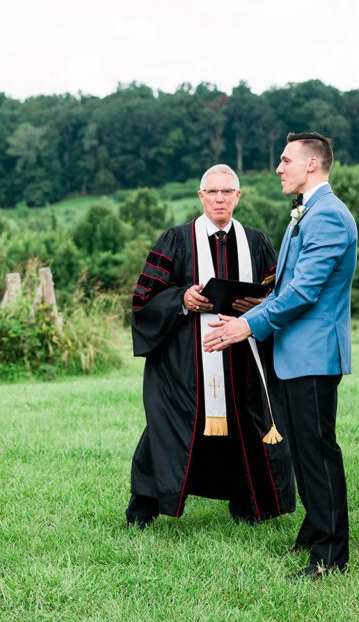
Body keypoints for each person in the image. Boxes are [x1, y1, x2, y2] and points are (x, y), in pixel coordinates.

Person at [205, 133, 358, 579]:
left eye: (285, 160)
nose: (278, 167)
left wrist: (245, 326)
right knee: (303, 450)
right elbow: (287, 287)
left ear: (312, 165)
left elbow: (306, 292)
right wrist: (254, 304)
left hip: (313, 355)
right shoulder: (305, 214)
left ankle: (330, 557)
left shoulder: (328, 215)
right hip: (293, 353)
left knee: (318, 452)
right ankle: (315, 530)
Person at [126, 165, 295, 528]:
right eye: (212, 192)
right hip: (186, 363)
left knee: (244, 428)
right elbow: (143, 300)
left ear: (238, 196)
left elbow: (277, 293)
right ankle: (145, 506)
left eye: (227, 191)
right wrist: (183, 299)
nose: (220, 198)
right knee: (170, 428)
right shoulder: (175, 240)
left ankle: (249, 504)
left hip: (242, 358)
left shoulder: (256, 241)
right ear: (201, 196)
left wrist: (259, 305)